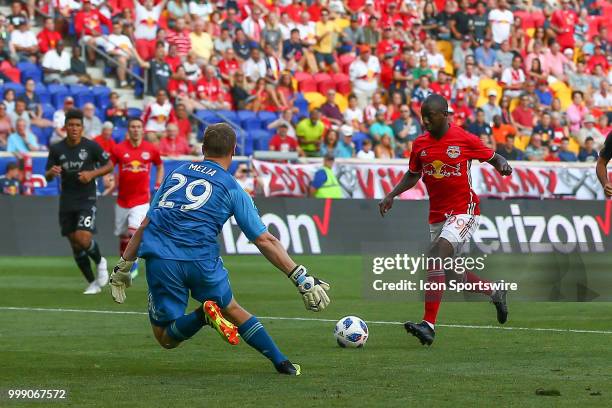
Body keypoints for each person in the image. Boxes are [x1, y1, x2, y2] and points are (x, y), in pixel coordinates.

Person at [109, 123, 330, 376]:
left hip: (162, 258)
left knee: (166, 337)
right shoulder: (233, 187)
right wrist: (300, 277)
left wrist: (125, 264)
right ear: (234, 150)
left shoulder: (176, 173)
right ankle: (282, 363)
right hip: (202, 261)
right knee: (232, 308)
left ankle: (204, 316)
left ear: (202, 148)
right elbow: (264, 240)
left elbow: (147, 222)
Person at [378, 94, 512, 346]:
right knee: (449, 272)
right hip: (438, 216)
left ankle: (428, 325)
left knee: (435, 257)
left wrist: (502, 164)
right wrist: (391, 195)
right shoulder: (420, 144)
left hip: (465, 210)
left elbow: (494, 157)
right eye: (422, 117)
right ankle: (494, 292)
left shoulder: (463, 138)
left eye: (429, 117)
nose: (425, 121)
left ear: (444, 115)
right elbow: (413, 174)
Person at [44, 109, 114, 294]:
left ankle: (100, 262)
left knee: (83, 237)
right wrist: (51, 173)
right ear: (65, 127)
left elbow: (109, 165)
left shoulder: (91, 146)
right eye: (71, 125)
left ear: (82, 127)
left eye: (77, 125)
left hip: (87, 198)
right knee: (74, 243)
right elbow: (47, 176)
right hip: (67, 199)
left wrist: (92, 174)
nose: (74, 128)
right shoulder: (57, 149)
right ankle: (92, 283)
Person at [110, 117, 163, 279]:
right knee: (123, 235)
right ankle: (124, 263)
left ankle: (133, 264)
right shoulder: (118, 149)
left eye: (138, 127)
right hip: (122, 200)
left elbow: (159, 165)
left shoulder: (151, 149)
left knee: (134, 231)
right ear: (128, 129)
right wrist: (109, 177)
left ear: (142, 129)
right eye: (132, 126)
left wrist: (158, 183)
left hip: (141, 200)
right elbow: (110, 166)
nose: (135, 129)